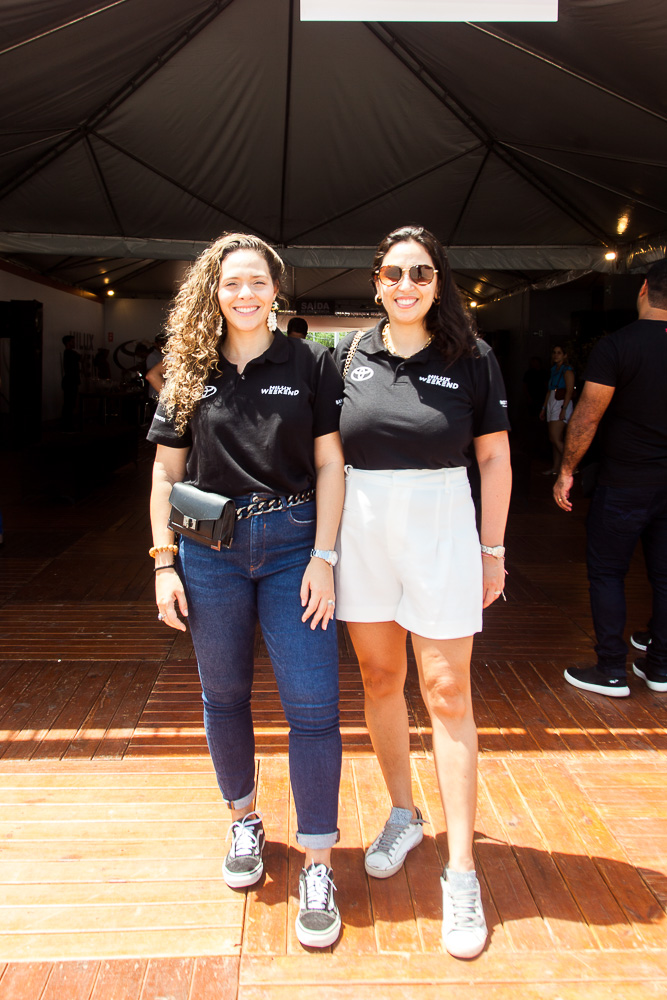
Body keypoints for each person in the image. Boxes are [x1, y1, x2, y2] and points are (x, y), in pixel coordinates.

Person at [147, 233, 345, 948]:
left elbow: (330, 465)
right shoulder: (187, 371)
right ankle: (244, 822)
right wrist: (163, 562)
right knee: (223, 696)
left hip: (294, 546)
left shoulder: (311, 363)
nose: (245, 294)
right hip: (209, 555)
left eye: (257, 282)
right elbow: (166, 477)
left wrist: (325, 555)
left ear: (275, 289)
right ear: (214, 290)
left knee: (313, 707)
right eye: (232, 283)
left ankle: (318, 862)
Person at [333, 225, 511, 959]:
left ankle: (461, 870)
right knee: (380, 676)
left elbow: (495, 458)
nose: (406, 284)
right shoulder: (346, 357)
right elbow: (317, 452)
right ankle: (403, 814)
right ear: (375, 281)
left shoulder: (471, 357)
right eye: (394, 272)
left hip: (441, 525)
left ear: (439, 283)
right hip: (362, 526)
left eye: (421, 273)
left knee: (446, 694)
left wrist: (492, 550)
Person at [554, 257, 667, 698]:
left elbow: (587, 417)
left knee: (607, 574)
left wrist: (566, 471)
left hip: (624, 484)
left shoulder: (617, 346)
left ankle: (612, 669)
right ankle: (659, 667)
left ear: (642, 289)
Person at [539, 345, 575, 474]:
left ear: (564, 355)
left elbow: (569, 390)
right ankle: (556, 467)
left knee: (555, 437)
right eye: (554, 352)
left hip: (561, 402)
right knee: (554, 438)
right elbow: (549, 391)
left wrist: (564, 408)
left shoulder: (567, 370)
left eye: (559, 353)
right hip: (552, 401)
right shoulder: (554, 369)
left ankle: (572, 464)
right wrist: (543, 408)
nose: (556, 355)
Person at [61, 335, 81, 428]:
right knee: (69, 403)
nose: (74, 343)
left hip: (70, 381)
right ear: (68, 342)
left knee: (69, 403)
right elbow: (80, 357)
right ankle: (67, 425)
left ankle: (67, 424)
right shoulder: (70, 353)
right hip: (71, 381)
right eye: (72, 341)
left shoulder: (69, 353)